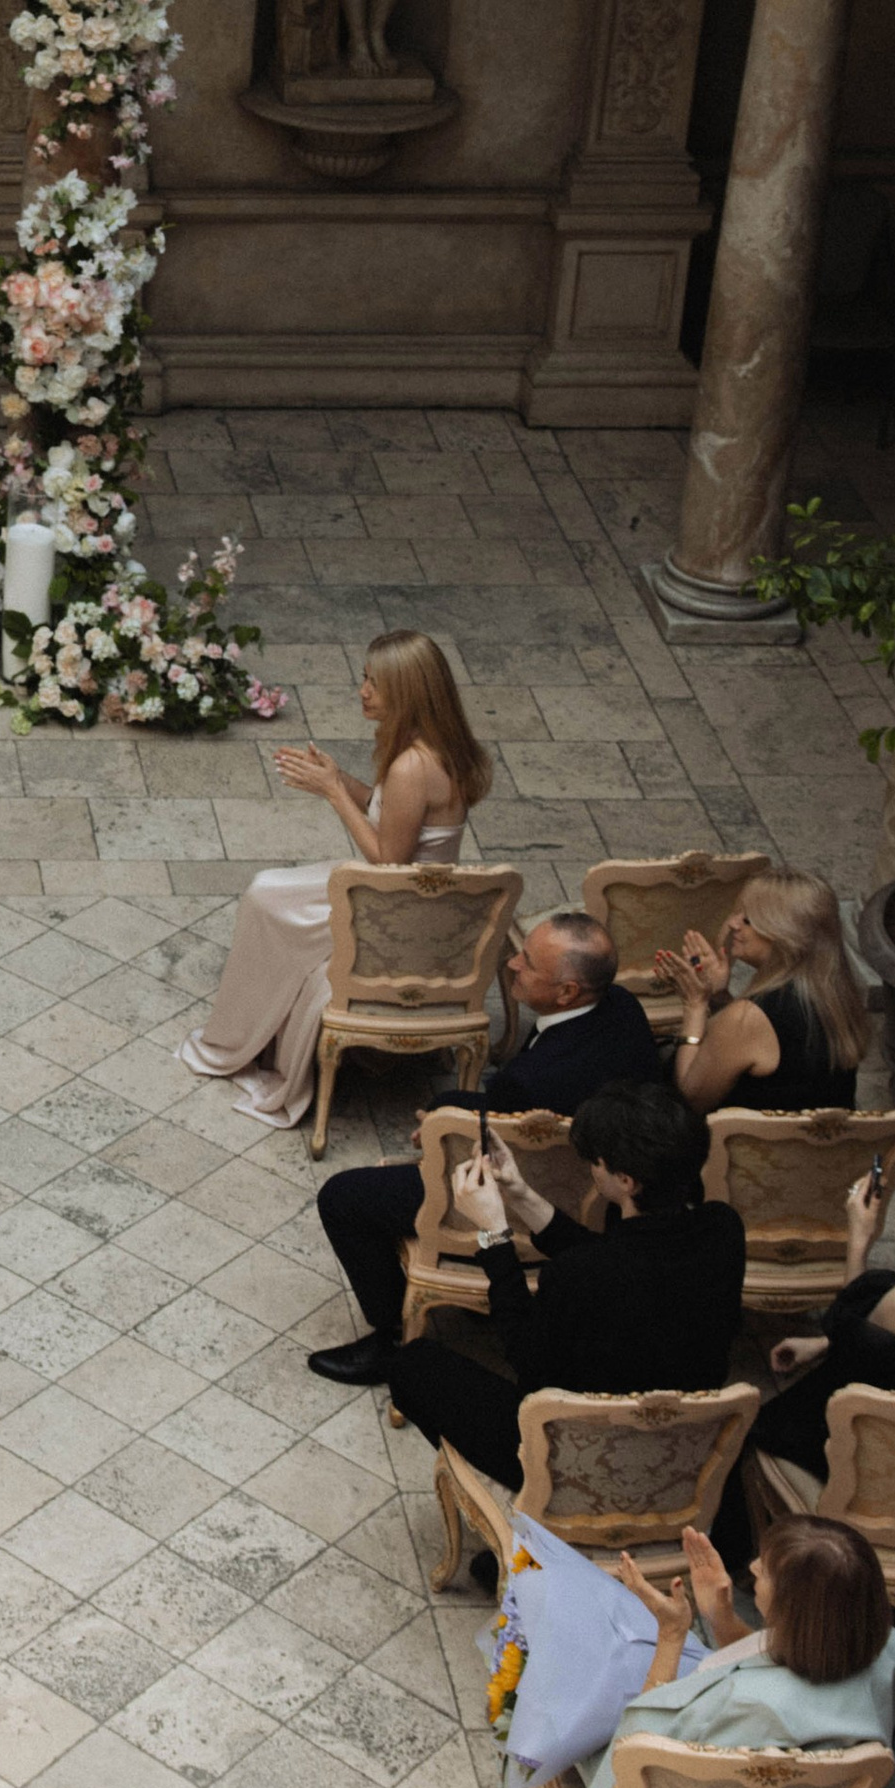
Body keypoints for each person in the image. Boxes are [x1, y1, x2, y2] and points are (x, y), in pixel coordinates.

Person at [306, 911, 663, 1386]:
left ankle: (391, 1335)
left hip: (537, 1201)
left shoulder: (531, 1081)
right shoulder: (622, 1006)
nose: (512, 964)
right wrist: (449, 1105)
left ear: (567, 993)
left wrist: (442, 1125)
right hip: (604, 1200)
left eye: (527, 963)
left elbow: (497, 1130)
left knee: (344, 1197)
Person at [180, 629, 491, 1132]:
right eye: (365, 677)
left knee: (266, 899)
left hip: (393, 903)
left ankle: (245, 1035)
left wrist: (332, 793)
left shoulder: (414, 764)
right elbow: (393, 813)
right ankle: (260, 1022)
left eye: (375, 682)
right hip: (407, 894)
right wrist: (341, 778)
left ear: (409, 691)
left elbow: (389, 860)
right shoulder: (435, 748)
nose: (363, 690)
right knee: (268, 894)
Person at [386, 1080, 750, 1494]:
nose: (591, 1170)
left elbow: (525, 1357)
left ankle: (536, 1513)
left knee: (411, 1365)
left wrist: (493, 1235)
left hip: (577, 1456)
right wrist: (520, 1194)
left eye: (596, 1162)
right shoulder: (723, 1228)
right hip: (683, 1449)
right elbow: (623, 1255)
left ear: (627, 1181)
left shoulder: (582, 1274)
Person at [532, 1516, 895, 1788]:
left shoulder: (735, 1704)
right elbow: (893, 1781)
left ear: (796, 1610)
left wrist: (671, 1634)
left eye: (766, 1570)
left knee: (554, 1669)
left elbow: (634, 1746)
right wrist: (719, 1615)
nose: (752, 1567)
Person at [749, 1172, 895, 1471]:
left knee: (752, 1431)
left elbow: (851, 1352)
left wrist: (859, 1239)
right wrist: (824, 1343)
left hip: (867, 1471)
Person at [658, 868, 867, 1114]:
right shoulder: (837, 994)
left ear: (781, 933)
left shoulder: (747, 1018)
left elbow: (690, 1098)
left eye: (747, 919)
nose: (733, 923)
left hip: (733, 1146)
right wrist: (718, 995)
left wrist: (694, 1005)